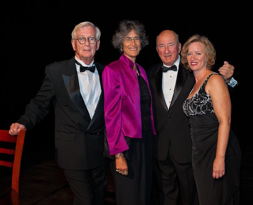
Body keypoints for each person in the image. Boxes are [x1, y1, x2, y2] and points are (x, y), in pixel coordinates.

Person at [9, 21, 107, 205]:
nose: (87, 43)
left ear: (98, 44)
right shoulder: (56, 71)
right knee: (85, 200)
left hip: (99, 151)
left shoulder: (107, 72)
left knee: (98, 198)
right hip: (72, 151)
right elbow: (40, 103)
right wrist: (24, 122)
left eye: (91, 39)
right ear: (73, 44)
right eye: (82, 39)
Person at [147, 30, 237, 205]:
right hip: (160, 148)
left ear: (179, 47)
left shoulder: (195, 69)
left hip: (190, 149)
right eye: (161, 46)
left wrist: (231, 79)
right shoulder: (149, 73)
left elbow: (220, 96)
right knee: (166, 197)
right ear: (156, 49)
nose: (166, 50)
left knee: (194, 197)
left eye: (171, 45)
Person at [181, 34, 241, 205]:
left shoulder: (214, 80)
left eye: (198, 53)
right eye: (190, 53)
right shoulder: (194, 83)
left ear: (207, 56)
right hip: (200, 153)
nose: (193, 58)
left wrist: (219, 158)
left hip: (216, 150)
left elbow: (225, 121)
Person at [102, 19, 156, 205]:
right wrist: (118, 154)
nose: (133, 43)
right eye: (128, 39)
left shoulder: (140, 70)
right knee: (129, 197)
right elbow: (111, 115)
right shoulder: (112, 70)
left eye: (136, 38)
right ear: (120, 43)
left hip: (145, 142)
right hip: (126, 145)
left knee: (143, 195)